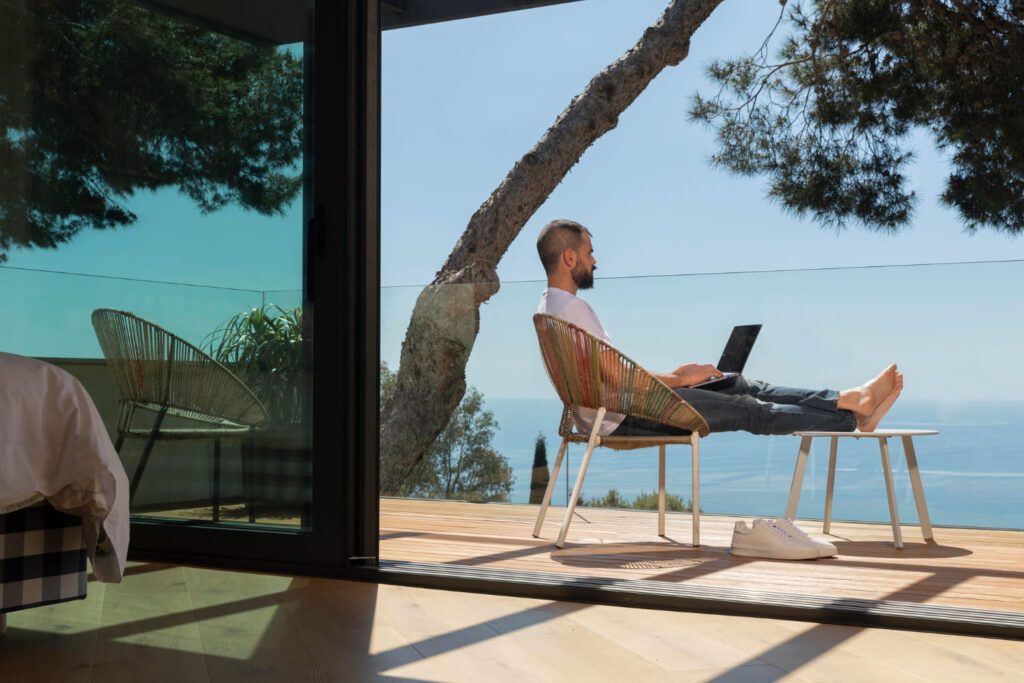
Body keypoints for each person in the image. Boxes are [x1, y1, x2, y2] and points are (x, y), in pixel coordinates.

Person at [535, 219, 903, 439]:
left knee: (738, 382)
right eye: (588, 252)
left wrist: (680, 374)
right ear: (570, 258)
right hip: (623, 417)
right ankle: (850, 417)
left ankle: (849, 400)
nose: (594, 260)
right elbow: (615, 376)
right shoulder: (574, 311)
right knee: (747, 408)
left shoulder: (549, 308)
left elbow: (608, 375)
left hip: (614, 409)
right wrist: (679, 380)